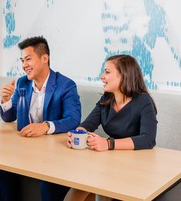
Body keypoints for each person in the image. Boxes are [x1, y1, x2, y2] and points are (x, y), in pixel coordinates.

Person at [0, 36, 81, 201]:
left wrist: (45, 126)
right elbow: (9, 116)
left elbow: (73, 119)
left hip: (53, 153)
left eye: (28, 59)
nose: (24, 65)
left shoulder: (66, 85)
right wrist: (5, 101)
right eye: (22, 60)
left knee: (49, 182)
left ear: (44, 58)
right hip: (24, 148)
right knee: (2, 171)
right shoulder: (22, 82)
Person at [64, 54, 158, 201]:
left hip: (136, 169)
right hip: (109, 163)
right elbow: (87, 125)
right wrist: (76, 135)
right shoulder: (106, 99)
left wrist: (108, 144)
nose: (102, 76)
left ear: (123, 75)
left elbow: (148, 139)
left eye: (107, 72)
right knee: (77, 192)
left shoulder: (143, 101)